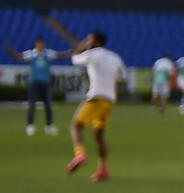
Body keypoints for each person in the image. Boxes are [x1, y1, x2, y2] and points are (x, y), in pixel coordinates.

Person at [64, 31, 124, 182]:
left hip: (96, 97)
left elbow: (75, 60)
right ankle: (103, 170)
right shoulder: (115, 57)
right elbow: (122, 78)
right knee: (99, 135)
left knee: (76, 125)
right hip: (109, 101)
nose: (87, 42)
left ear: (96, 41)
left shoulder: (93, 54)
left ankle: (80, 154)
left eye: (89, 39)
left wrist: (80, 47)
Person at [12, 37, 59, 135]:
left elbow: (60, 55)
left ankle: (49, 125)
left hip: (46, 82)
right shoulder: (31, 53)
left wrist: (72, 52)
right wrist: (11, 51)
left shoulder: (48, 53)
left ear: (44, 45)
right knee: (32, 104)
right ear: (36, 45)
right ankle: (30, 125)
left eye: (42, 44)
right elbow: (20, 56)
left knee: (48, 105)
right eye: (39, 44)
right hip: (34, 82)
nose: (40, 46)